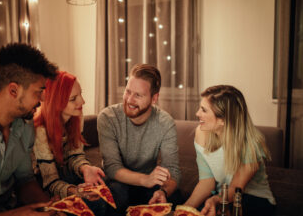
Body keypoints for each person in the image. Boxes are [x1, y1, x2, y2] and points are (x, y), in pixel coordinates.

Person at [0, 43, 58, 215]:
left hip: (9, 205)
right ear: (13, 90)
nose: (43, 99)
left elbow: (24, 180)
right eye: (38, 92)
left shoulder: (24, 124)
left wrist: (51, 207)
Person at [97, 64, 182, 215]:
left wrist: (163, 191)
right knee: (117, 192)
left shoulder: (165, 122)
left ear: (154, 98)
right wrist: (146, 179)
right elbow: (112, 168)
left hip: (149, 185)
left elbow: (173, 170)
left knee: (173, 196)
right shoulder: (107, 117)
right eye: (128, 91)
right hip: (118, 182)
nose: (129, 100)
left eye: (138, 95)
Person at [184, 85, 276, 216]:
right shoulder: (201, 133)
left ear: (223, 119)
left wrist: (216, 200)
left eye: (204, 110)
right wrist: (184, 209)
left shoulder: (251, 143)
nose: (197, 114)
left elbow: (236, 188)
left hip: (253, 198)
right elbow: (206, 181)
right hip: (222, 195)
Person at [33, 71, 107, 216]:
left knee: (104, 192)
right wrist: (77, 192)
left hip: (67, 176)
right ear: (56, 102)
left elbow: (75, 155)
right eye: (74, 99)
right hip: (42, 186)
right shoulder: (39, 131)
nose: (83, 102)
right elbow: (49, 182)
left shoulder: (76, 118)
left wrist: (85, 168)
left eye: (81, 94)